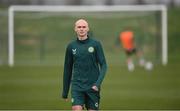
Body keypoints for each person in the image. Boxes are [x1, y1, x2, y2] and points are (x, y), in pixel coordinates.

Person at [62, 19, 107, 111]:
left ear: (88, 29)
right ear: (75, 29)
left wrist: (97, 84)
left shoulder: (96, 44)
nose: (81, 29)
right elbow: (67, 69)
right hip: (77, 86)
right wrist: (65, 91)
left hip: (92, 87)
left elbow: (104, 65)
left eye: (84, 27)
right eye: (79, 27)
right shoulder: (71, 46)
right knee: (76, 108)